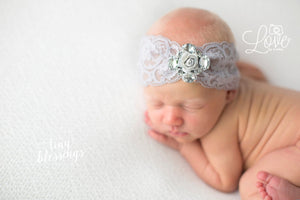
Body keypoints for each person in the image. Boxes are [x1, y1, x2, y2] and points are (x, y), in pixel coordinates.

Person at [138, 7, 300, 200]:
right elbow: (256, 72)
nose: (171, 118)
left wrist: (185, 148)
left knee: (254, 184)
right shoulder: (244, 76)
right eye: (157, 103)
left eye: (190, 106)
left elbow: (224, 180)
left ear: (229, 93)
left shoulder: (218, 131)